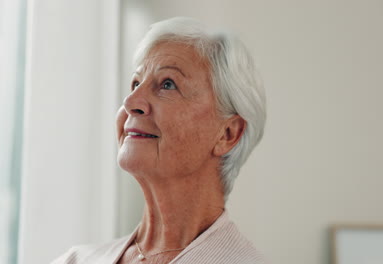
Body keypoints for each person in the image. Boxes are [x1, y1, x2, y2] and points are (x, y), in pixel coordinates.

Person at [52, 17, 266, 264]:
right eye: (135, 83)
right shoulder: (75, 260)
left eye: (167, 84)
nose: (131, 102)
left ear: (227, 133)